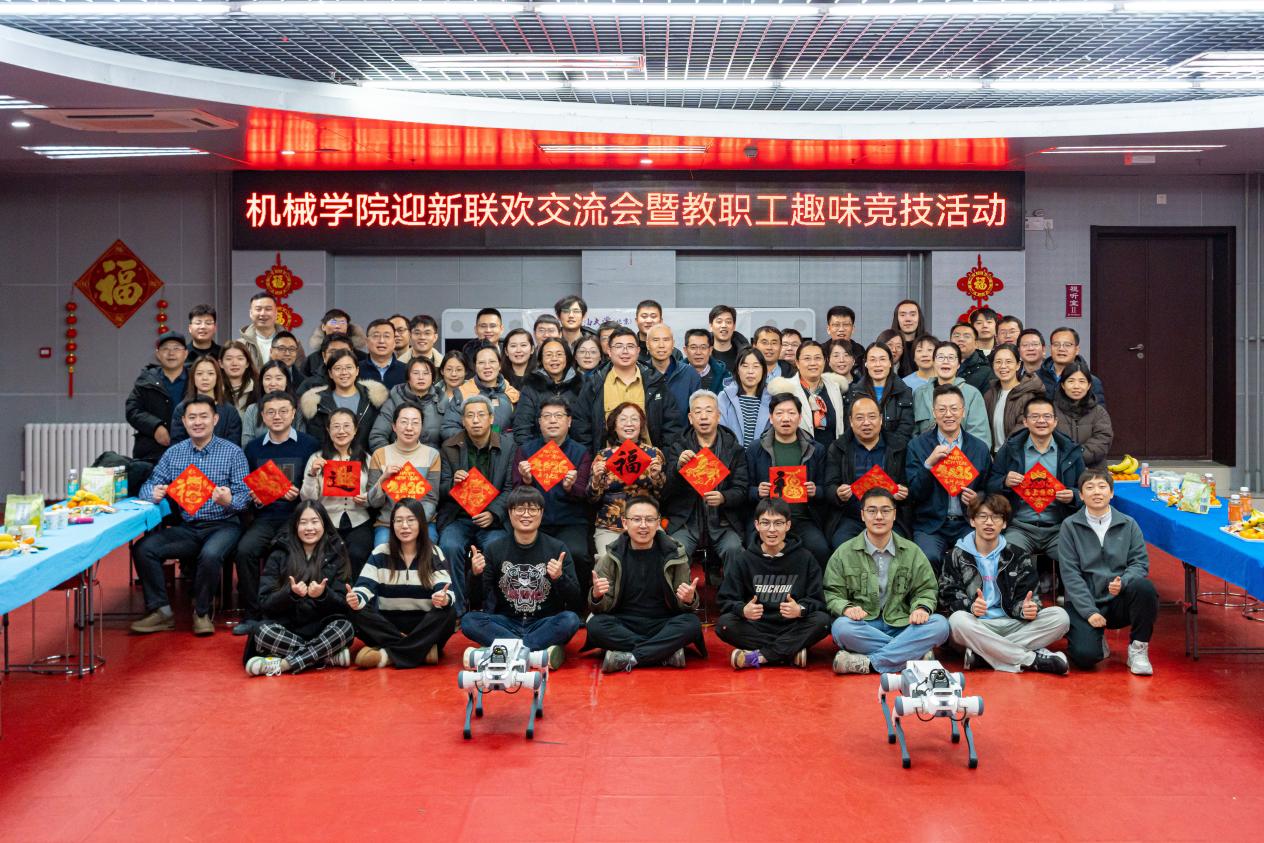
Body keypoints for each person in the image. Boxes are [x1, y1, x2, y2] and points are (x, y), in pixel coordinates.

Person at [130, 396, 250, 636]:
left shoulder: (233, 453)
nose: (198, 422)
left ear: (215, 419)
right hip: (189, 527)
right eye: (192, 417)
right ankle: (161, 611)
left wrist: (229, 501)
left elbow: (244, 497)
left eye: (204, 416)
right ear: (184, 422)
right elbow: (149, 485)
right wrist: (153, 493)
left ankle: (202, 613)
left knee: (211, 554)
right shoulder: (174, 454)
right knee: (144, 548)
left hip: (224, 525)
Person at [939, 494, 1070, 674]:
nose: (989, 522)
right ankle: (1031, 659)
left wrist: (1026, 609)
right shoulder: (957, 555)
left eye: (996, 517)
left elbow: (1030, 598)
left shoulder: (1018, 555)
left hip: (1012, 623)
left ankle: (984, 656)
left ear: (1005, 523)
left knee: (1060, 617)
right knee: (956, 621)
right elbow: (947, 596)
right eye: (983, 516)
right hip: (977, 625)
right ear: (972, 521)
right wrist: (971, 606)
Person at [825, 487, 950, 675]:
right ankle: (913, 654)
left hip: (904, 624)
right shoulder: (844, 553)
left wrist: (921, 608)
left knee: (940, 625)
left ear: (894, 514)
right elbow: (832, 593)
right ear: (862, 515)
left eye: (885, 510)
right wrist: (847, 608)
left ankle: (870, 663)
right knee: (841, 628)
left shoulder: (912, 551)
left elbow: (926, 589)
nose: (879, 517)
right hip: (865, 625)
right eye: (872, 511)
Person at [461, 486, 582, 668]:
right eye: (520, 509)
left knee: (570, 620)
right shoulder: (495, 549)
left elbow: (575, 599)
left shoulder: (557, 548)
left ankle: (504, 650)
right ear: (510, 513)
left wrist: (559, 578)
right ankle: (533, 652)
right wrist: (475, 575)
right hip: (506, 622)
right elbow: (477, 599)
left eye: (533, 509)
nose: (526, 514)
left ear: (541, 513)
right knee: (469, 621)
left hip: (543, 622)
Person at [233, 390, 319, 637]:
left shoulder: (309, 445)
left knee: (289, 553)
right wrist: (256, 499)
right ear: (262, 416)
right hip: (265, 517)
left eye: (283, 411)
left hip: (298, 518)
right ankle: (253, 613)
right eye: (270, 412)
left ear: (293, 414)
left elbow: (315, 485)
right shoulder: (253, 448)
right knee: (245, 551)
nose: (277, 416)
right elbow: (246, 488)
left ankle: (286, 614)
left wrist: (300, 497)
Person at [586, 496, 704, 673]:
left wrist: (689, 600)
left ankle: (631, 658)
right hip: (624, 623)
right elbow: (601, 608)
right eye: (636, 519)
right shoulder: (611, 556)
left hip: (662, 623)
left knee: (692, 623)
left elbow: (683, 606)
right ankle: (663, 654)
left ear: (658, 523)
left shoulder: (674, 554)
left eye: (649, 520)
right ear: (625, 523)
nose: (643, 525)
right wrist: (597, 596)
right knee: (595, 625)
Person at [1057, 469, 1157, 675]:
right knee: (1085, 657)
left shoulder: (1128, 524)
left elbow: (1140, 563)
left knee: (1145, 588)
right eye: (1090, 487)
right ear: (1081, 495)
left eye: (1102, 487)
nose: (1097, 492)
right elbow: (1070, 574)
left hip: (1117, 600)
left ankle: (1138, 649)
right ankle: (1096, 638)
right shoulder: (1070, 526)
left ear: (1111, 493)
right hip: (1085, 601)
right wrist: (1089, 611)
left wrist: (1124, 581)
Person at [716, 499, 832, 669]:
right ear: (756, 525)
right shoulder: (743, 560)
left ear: (788, 525)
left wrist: (800, 610)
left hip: (793, 625)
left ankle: (761, 656)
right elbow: (725, 600)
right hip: (757, 627)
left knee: (823, 621)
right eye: (765, 523)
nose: (772, 529)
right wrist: (743, 610)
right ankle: (790, 651)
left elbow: (818, 601)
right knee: (724, 624)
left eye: (778, 523)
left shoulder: (805, 558)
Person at [244, 501, 355, 676]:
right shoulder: (279, 552)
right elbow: (264, 603)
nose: (309, 528)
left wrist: (323, 595)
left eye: (315, 521)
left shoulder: (336, 552)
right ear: (295, 525)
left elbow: (343, 606)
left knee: (345, 628)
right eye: (303, 522)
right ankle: (325, 657)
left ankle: (283, 664)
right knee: (262, 631)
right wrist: (290, 594)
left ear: (324, 524)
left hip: (321, 626)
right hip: (287, 627)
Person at [345, 498, 457, 669]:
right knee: (354, 609)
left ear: (421, 523)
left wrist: (443, 598)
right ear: (392, 525)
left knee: (448, 612)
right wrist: (356, 598)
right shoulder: (380, 553)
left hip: (424, 626)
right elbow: (364, 587)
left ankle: (387, 655)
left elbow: (446, 590)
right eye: (398, 521)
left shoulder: (434, 552)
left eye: (410, 520)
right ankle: (419, 651)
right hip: (389, 626)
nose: (404, 526)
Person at [988, 395, 1085, 567]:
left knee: (1078, 558)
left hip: (1059, 527)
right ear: (1025, 421)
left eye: (1047, 416)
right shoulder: (1010, 449)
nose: (1041, 421)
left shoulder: (1070, 451)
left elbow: (1085, 490)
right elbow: (989, 485)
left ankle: (1061, 585)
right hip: (1020, 526)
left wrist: (1073, 496)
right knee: (1008, 557)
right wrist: (1004, 482)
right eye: (1035, 416)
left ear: (1055, 421)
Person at [437, 395, 514, 612]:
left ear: (491, 418)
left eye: (481, 415)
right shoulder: (450, 447)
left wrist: (493, 513)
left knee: (496, 546)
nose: (476, 420)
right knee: (449, 546)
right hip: (459, 517)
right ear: (463, 421)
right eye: (470, 416)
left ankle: (493, 610)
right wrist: (453, 484)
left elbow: (510, 488)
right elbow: (440, 490)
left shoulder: (508, 446)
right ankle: (457, 609)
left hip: (492, 520)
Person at [662, 390, 748, 582]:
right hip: (687, 522)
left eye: (709, 411)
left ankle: (732, 597)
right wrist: (677, 468)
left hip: (723, 522)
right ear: (690, 418)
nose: (703, 416)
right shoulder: (678, 447)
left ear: (718, 416)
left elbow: (741, 489)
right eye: (698, 412)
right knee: (675, 551)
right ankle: (681, 598)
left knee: (734, 549)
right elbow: (666, 491)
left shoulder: (733, 449)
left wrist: (724, 497)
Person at [906, 385, 993, 570]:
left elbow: (989, 490)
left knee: (977, 557)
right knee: (927, 558)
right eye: (942, 409)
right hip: (930, 525)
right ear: (934, 412)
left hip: (967, 523)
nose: (948, 414)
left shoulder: (979, 448)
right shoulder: (917, 446)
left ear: (963, 411)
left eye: (954, 408)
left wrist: (978, 499)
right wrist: (929, 465)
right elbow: (914, 493)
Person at [511, 396, 594, 591]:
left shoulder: (580, 452)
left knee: (577, 553)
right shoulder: (526, 451)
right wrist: (527, 481)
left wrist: (570, 486)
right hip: (534, 520)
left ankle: (578, 602)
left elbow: (584, 493)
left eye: (558, 416)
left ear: (569, 421)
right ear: (539, 422)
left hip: (570, 521)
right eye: (547, 416)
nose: (553, 421)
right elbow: (515, 493)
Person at [746, 393, 831, 567]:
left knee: (821, 549)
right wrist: (757, 492)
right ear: (771, 418)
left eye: (791, 413)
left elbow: (827, 489)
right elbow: (743, 489)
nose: (786, 418)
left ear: (799, 417)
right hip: (767, 519)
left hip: (802, 519)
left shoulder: (816, 449)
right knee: (752, 550)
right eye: (779, 413)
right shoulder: (755, 449)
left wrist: (816, 491)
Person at [571, 326, 683, 456]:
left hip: (649, 463)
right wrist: (592, 461)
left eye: (630, 346)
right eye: (619, 346)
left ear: (638, 351)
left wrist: (663, 460)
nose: (625, 351)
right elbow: (581, 427)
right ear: (609, 351)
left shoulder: (655, 382)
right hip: (606, 464)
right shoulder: (595, 383)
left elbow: (672, 426)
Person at [301, 407, 376, 576]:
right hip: (326, 522)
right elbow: (307, 500)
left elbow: (375, 495)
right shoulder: (317, 458)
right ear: (328, 430)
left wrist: (367, 499)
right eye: (336, 426)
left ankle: (356, 592)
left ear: (355, 430)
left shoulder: (366, 459)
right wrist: (312, 474)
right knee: (328, 559)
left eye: (347, 426)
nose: (341, 431)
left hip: (359, 519)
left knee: (358, 553)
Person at [825, 396, 909, 546]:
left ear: (881, 419)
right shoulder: (838, 448)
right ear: (850, 421)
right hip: (852, 517)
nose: (866, 423)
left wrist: (903, 492)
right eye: (859, 418)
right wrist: (838, 493)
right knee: (842, 546)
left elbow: (908, 485)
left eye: (872, 417)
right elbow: (829, 486)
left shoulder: (898, 447)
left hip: (887, 517)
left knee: (900, 547)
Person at [590, 402, 667, 558]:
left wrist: (657, 477)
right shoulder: (603, 456)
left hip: (646, 523)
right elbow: (592, 499)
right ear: (614, 425)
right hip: (611, 526)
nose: (629, 424)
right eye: (623, 419)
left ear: (641, 425)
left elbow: (663, 496)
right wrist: (596, 479)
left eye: (634, 419)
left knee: (664, 556)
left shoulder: (654, 454)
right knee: (607, 561)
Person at [367, 403, 441, 546]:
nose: (409, 428)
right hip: (388, 523)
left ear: (422, 427)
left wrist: (412, 523)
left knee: (428, 548)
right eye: (404, 422)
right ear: (394, 426)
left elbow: (431, 499)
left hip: (423, 522)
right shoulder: (380, 454)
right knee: (382, 548)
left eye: (415, 423)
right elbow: (373, 502)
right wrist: (383, 478)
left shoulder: (432, 455)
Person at [300, 348, 387, 455]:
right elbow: (315, 438)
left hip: (366, 459)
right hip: (330, 461)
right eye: (338, 368)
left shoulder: (373, 399)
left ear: (357, 371)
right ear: (330, 373)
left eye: (349, 367)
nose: (344, 372)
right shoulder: (318, 403)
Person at [769, 341, 849, 447]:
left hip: (832, 453)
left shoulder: (834, 387)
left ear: (825, 361)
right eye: (807, 358)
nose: (813, 363)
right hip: (801, 452)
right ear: (797, 363)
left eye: (817, 358)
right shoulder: (787, 389)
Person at [912, 341, 991, 448]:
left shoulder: (972, 394)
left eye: (951, 357)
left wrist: (955, 456)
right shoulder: (920, 393)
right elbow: (914, 434)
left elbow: (980, 436)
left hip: (962, 456)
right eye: (940, 357)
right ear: (933, 362)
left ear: (958, 364)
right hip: (927, 455)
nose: (946, 361)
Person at [126, 333, 189, 463]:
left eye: (176, 348)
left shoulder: (196, 378)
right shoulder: (146, 379)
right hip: (152, 453)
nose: (171, 353)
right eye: (165, 348)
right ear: (158, 354)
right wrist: (155, 427)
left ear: (185, 353)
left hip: (190, 451)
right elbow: (132, 410)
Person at [843, 342, 916, 450]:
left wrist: (886, 452)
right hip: (860, 453)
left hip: (895, 453)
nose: (878, 364)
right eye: (872, 360)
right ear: (866, 363)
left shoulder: (904, 392)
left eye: (882, 359)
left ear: (890, 363)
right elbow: (849, 428)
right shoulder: (854, 392)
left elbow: (905, 429)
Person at [512, 337, 584, 445]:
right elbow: (523, 426)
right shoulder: (530, 386)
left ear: (567, 357)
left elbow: (584, 426)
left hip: (573, 451)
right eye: (548, 355)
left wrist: (580, 452)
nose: (554, 359)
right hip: (538, 450)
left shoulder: (581, 384)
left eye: (559, 354)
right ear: (541, 359)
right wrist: (530, 452)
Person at [443, 342, 519, 439]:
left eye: (492, 361)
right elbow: (448, 428)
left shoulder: (512, 393)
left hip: (506, 447)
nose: (487, 366)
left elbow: (521, 429)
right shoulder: (463, 392)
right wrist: (477, 440)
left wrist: (504, 441)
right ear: (475, 367)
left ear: (500, 365)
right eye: (481, 362)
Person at [369, 356, 444, 451]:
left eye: (426, 373)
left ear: (433, 378)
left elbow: (449, 439)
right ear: (408, 377)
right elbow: (377, 436)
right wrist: (392, 456)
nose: (421, 377)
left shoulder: (442, 401)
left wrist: (436, 457)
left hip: (432, 458)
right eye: (416, 373)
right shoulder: (394, 400)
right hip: (399, 457)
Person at [983, 343, 1045, 452]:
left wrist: (1002, 454)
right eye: (998, 362)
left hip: (1017, 455)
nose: (1003, 366)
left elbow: (1022, 431)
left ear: (1018, 365)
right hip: (992, 455)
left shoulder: (1028, 396)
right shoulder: (989, 395)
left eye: (1008, 362)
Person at [170, 356, 243, 447]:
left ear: (217, 377)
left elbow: (234, 446)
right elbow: (176, 445)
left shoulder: (230, 411)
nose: (205, 378)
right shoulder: (181, 409)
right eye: (199, 374)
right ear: (193, 377)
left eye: (210, 373)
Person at [1054, 361, 1114, 470]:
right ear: (1063, 385)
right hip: (1060, 470)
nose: (1076, 386)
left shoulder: (1099, 412)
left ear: (1089, 385)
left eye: (1082, 381)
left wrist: (1076, 456)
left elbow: (1103, 440)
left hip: (1093, 472)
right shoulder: (1051, 411)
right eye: (1071, 381)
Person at [645, 323, 701, 428]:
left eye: (666, 340)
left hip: (682, 437)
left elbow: (697, 414)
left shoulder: (689, 374)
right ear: (647, 344)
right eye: (656, 340)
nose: (661, 345)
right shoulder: (641, 373)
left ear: (673, 344)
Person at [717, 347, 771, 448]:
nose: (750, 371)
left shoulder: (772, 399)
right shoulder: (724, 397)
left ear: (763, 370)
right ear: (737, 370)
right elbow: (721, 433)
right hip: (732, 455)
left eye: (756, 366)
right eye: (745, 366)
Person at [1040, 327, 1106, 406]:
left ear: (1077, 350)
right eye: (1056, 344)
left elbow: (1099, 412)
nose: (1061, 349)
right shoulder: (1037, 378)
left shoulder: (1092, 381)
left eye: (1067, 345)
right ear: (1050, 348)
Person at [241, 360, 294, 444]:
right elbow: (247, 445)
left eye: (278, 378)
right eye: (268, 378)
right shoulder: (252, 410)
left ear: (287, 381)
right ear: (262, 382)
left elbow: (301, 441)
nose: (273, 383)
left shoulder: (297, 409)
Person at [358, 318, 406, 388]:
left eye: (387, 336)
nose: (381, 341)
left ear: (394, 342)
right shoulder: (356, 370)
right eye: (376, 336)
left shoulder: (407, 370)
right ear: (367, 342)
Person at [240, 292, 281, 371]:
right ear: (251, 313)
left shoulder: (292, 344)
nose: (263, 313)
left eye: (268, 309)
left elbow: (298, 374)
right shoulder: (241, 345)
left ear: (276, 313)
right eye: (258, 309)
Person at [950, 322, 995, 395]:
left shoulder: (986, 371)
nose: (961, 339)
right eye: (956, 336)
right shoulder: (941, 365)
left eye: (967, 336)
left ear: (976, 343)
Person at [683, 328, 729, 393]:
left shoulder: (724, 377)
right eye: (693, 347)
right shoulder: (675, 374)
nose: (698, 352)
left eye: (703, 347)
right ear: (685, 350)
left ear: (710, 350)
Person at [219, 340, 258, 412]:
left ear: (247, 363)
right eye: (229, 359)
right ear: (221, 363)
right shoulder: (214, 390)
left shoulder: (258, 388)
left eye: (240, 358)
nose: (234, 363)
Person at [708, 304, 748, 374]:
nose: (724, 325)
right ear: (711, 326)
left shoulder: (745, 355)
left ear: (734, 326)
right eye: (719, 322)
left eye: (728, 322)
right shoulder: (703, 354)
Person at [889, 299, 926, 373]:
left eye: (913, 315)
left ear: (919, 318)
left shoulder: (930, 345)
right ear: (897, 319)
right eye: (902, 315)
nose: (908, 319)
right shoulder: (886, 345)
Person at [826, 305, 865, 372]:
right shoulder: (821, 351)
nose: (841, 329)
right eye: (836, 325)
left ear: (853, 329)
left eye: (846, 324)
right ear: (828, 329)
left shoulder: (860, 351)